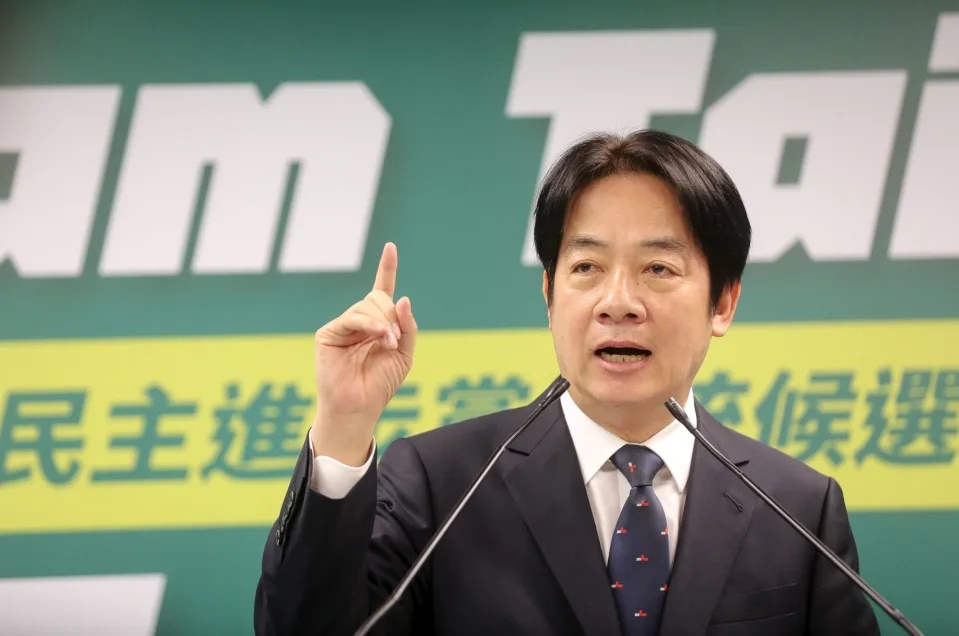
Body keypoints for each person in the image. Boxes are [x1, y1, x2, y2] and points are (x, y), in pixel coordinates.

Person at [253, 129, 880, 635]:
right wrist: (344, 424)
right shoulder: (441, 483)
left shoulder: (798, 508)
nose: (618, 302)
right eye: (587, 267)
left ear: (723, 303)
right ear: (550, 294)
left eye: (659, 268)